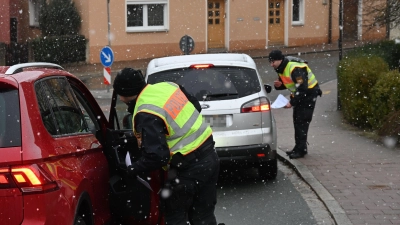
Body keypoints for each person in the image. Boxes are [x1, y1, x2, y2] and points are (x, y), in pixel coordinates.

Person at [113, 67, 220, 225]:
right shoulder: (168, 86)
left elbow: (157, 157)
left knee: (175, 217)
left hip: (186, 169)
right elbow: (195, 106)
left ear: (123, 94)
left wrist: (132, 169)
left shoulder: (146, 112)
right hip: (210, 157)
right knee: (203, 217)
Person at [268, 50, 322, 159]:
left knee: (301, 122)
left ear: (280, 59)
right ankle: (299, 148)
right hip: (301, 96)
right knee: (297, 121)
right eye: (270, 62)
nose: (271, 64)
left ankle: (300, 150)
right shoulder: (281, 68)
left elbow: (302, 87)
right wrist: (279, 85)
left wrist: (291, 103)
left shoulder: (295, 68)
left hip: (309, 95)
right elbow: (290, 83)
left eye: (273, 61)